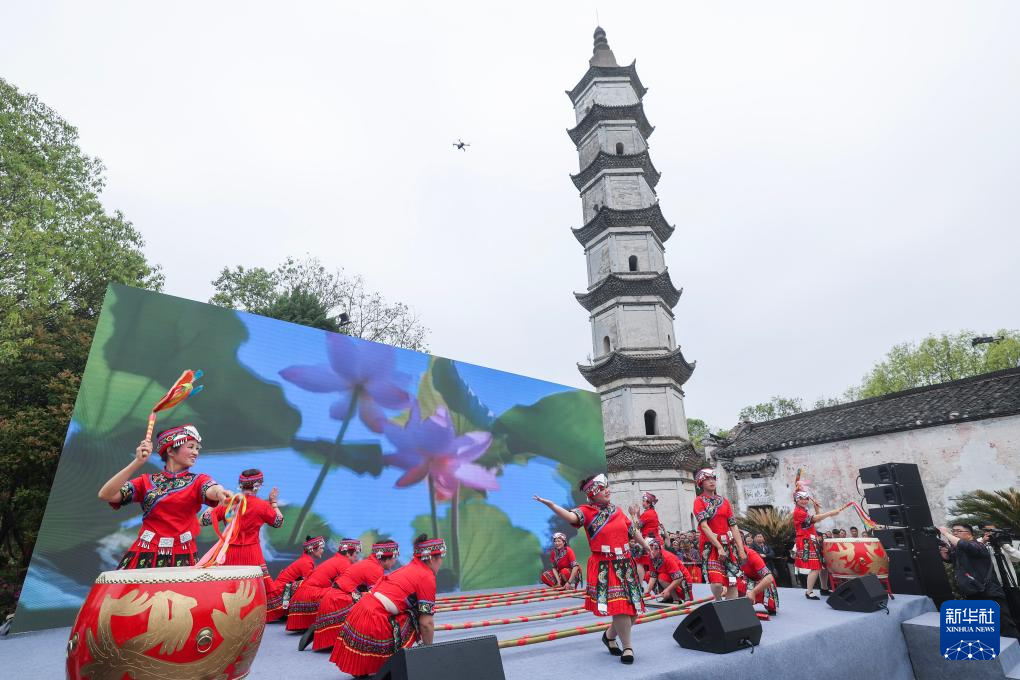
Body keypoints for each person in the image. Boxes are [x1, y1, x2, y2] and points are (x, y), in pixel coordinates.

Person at [534, 474, 648, 665]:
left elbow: (632, 531)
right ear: (592, 493)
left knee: (633, 611)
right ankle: (628, 647)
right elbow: (571, 517)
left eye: (606, 487)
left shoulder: (617, 510)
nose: (607, 491)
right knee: (620, 606)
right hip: (605, 564)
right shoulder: (586, 511)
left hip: (625, 564)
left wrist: (645, 545)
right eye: (602, 489)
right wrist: (552, 505)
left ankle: (609, 636)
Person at [97, 425, 231, 569]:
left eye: (197, 448)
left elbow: (211, 489)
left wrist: (220, 493)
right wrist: (137, 462)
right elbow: (106, 494)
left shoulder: (198, 481)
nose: (195, 452)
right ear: (170, 451)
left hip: (182, 555)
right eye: (191, 447)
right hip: (144, 553)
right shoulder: (145, 481)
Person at [330, 535, 444, 678]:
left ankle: (368, 666)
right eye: (441, 558)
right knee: (416, 616)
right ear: (432, 559)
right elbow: (426, 623)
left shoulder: (409, 568)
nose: (441, 562)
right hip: (371, 620)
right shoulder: (426, 577)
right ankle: (385, 664)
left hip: (357, 614)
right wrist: (429, 653)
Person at [306, 540, 400, 652]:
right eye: (395, 557)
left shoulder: (369, 563)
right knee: (371, 606)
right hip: (337, 601)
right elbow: (377, 597)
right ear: (387, 558)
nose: (395, 561)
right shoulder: (375, 569)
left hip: (332, 598)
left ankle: (319, 628)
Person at [200, 468, 283, 587]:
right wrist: (273, 503)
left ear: (241, 485)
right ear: (258, 486)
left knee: (229, 589)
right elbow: (278, 522)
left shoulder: (228, 503)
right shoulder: (262, 505)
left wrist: (216, 502)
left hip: (229, 553)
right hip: (252, 553)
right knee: (254, 589)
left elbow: (204, 520)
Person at [939, 525, 1019, 639]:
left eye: (958, 531)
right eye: (953, 531)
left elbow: (1017, 557)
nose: (955, 533)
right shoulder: (964, 549)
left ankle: (1015, 648)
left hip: (991, 592)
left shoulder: (978, 545)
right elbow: (956, 560)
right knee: (987, 628)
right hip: (973, 592)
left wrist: (946, 533)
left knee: (1006, 626)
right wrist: (945, 555)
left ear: (970, 534)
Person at [692, 468, 746, 601]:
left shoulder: (724, 501)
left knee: (732, 581)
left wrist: (740, 548)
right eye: (707, 479)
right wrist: (719, 547)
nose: (712, 482)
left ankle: (731, 609)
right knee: (716, 583)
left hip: (728, 544)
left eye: (713, 479)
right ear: (701, 483)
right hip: (710, 545)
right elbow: (704, 526)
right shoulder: (699, 501)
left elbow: (733, 525)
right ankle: (718, 600)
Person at [286, 538, 362, 631]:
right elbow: (345, 588)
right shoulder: (344, 563)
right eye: (356, 553)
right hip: (309, 594)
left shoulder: (338, 560)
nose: (357, 557)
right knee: (351, 598)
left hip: (302, 596)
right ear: (347, 553)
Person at [793, 490, 843, 600]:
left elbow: (815, 520)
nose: (804, 501)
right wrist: (831, 513)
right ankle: (809, 592)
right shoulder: (798, 512)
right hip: (806, 541)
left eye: (806, 499)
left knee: (823, 565)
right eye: (801, 499)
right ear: (796, 500)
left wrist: (816, 509)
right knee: (815, 567)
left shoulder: (803, 510)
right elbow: (816, 518)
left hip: (812, 539)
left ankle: (824, 588)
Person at [266, 535, 325, 623]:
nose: (323, 550)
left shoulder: (306, 560)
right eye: (321, 548)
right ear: (312, 550)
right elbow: (312, 584)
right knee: (306, 586)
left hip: (283, 590)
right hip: (279, 592)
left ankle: (288, 611)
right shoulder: (306, 562)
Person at [643, 538, 693, 604]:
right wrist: (647, 591)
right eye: (647, 550)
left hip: (683, 580)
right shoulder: (651, 557)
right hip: (669, 578)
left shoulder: (667, 557)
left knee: (662, 577)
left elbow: (679, 578)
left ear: (658, 549)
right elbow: (653, 576)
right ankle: (668, 597)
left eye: (650, 550)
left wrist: (667, 590)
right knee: (648, 575)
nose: (648, 553)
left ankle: (676, 598)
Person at [736, 546, 779, 615]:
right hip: (746, 579)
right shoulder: (727, 553)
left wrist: (753, 592)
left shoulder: (753, 556)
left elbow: (769, 578)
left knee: (771, 606)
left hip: (760, 582)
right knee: (733, 580)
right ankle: (738, 602)